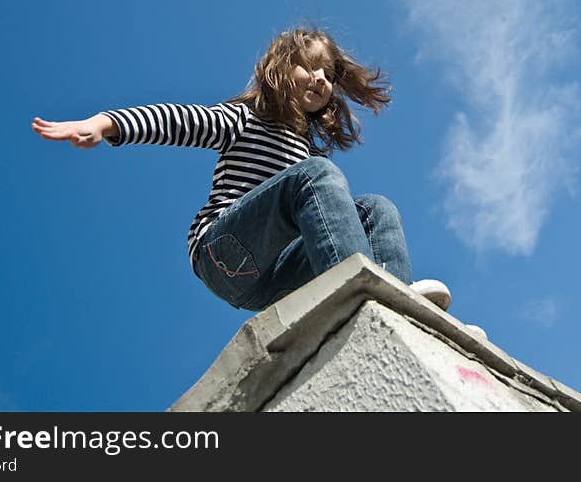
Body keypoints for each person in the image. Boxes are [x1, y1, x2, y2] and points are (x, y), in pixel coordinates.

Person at [32, 27, 476, 331]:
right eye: (309, 66)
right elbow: (175, 120)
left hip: (274, 276)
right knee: (316, 177)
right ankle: (362, 287)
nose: (321, 79)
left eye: (327, 75)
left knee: (376, 209)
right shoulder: (245, 119)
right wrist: (105, 124)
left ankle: (401, 313)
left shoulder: (304, 151)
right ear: (281, 69)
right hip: (223, 252)